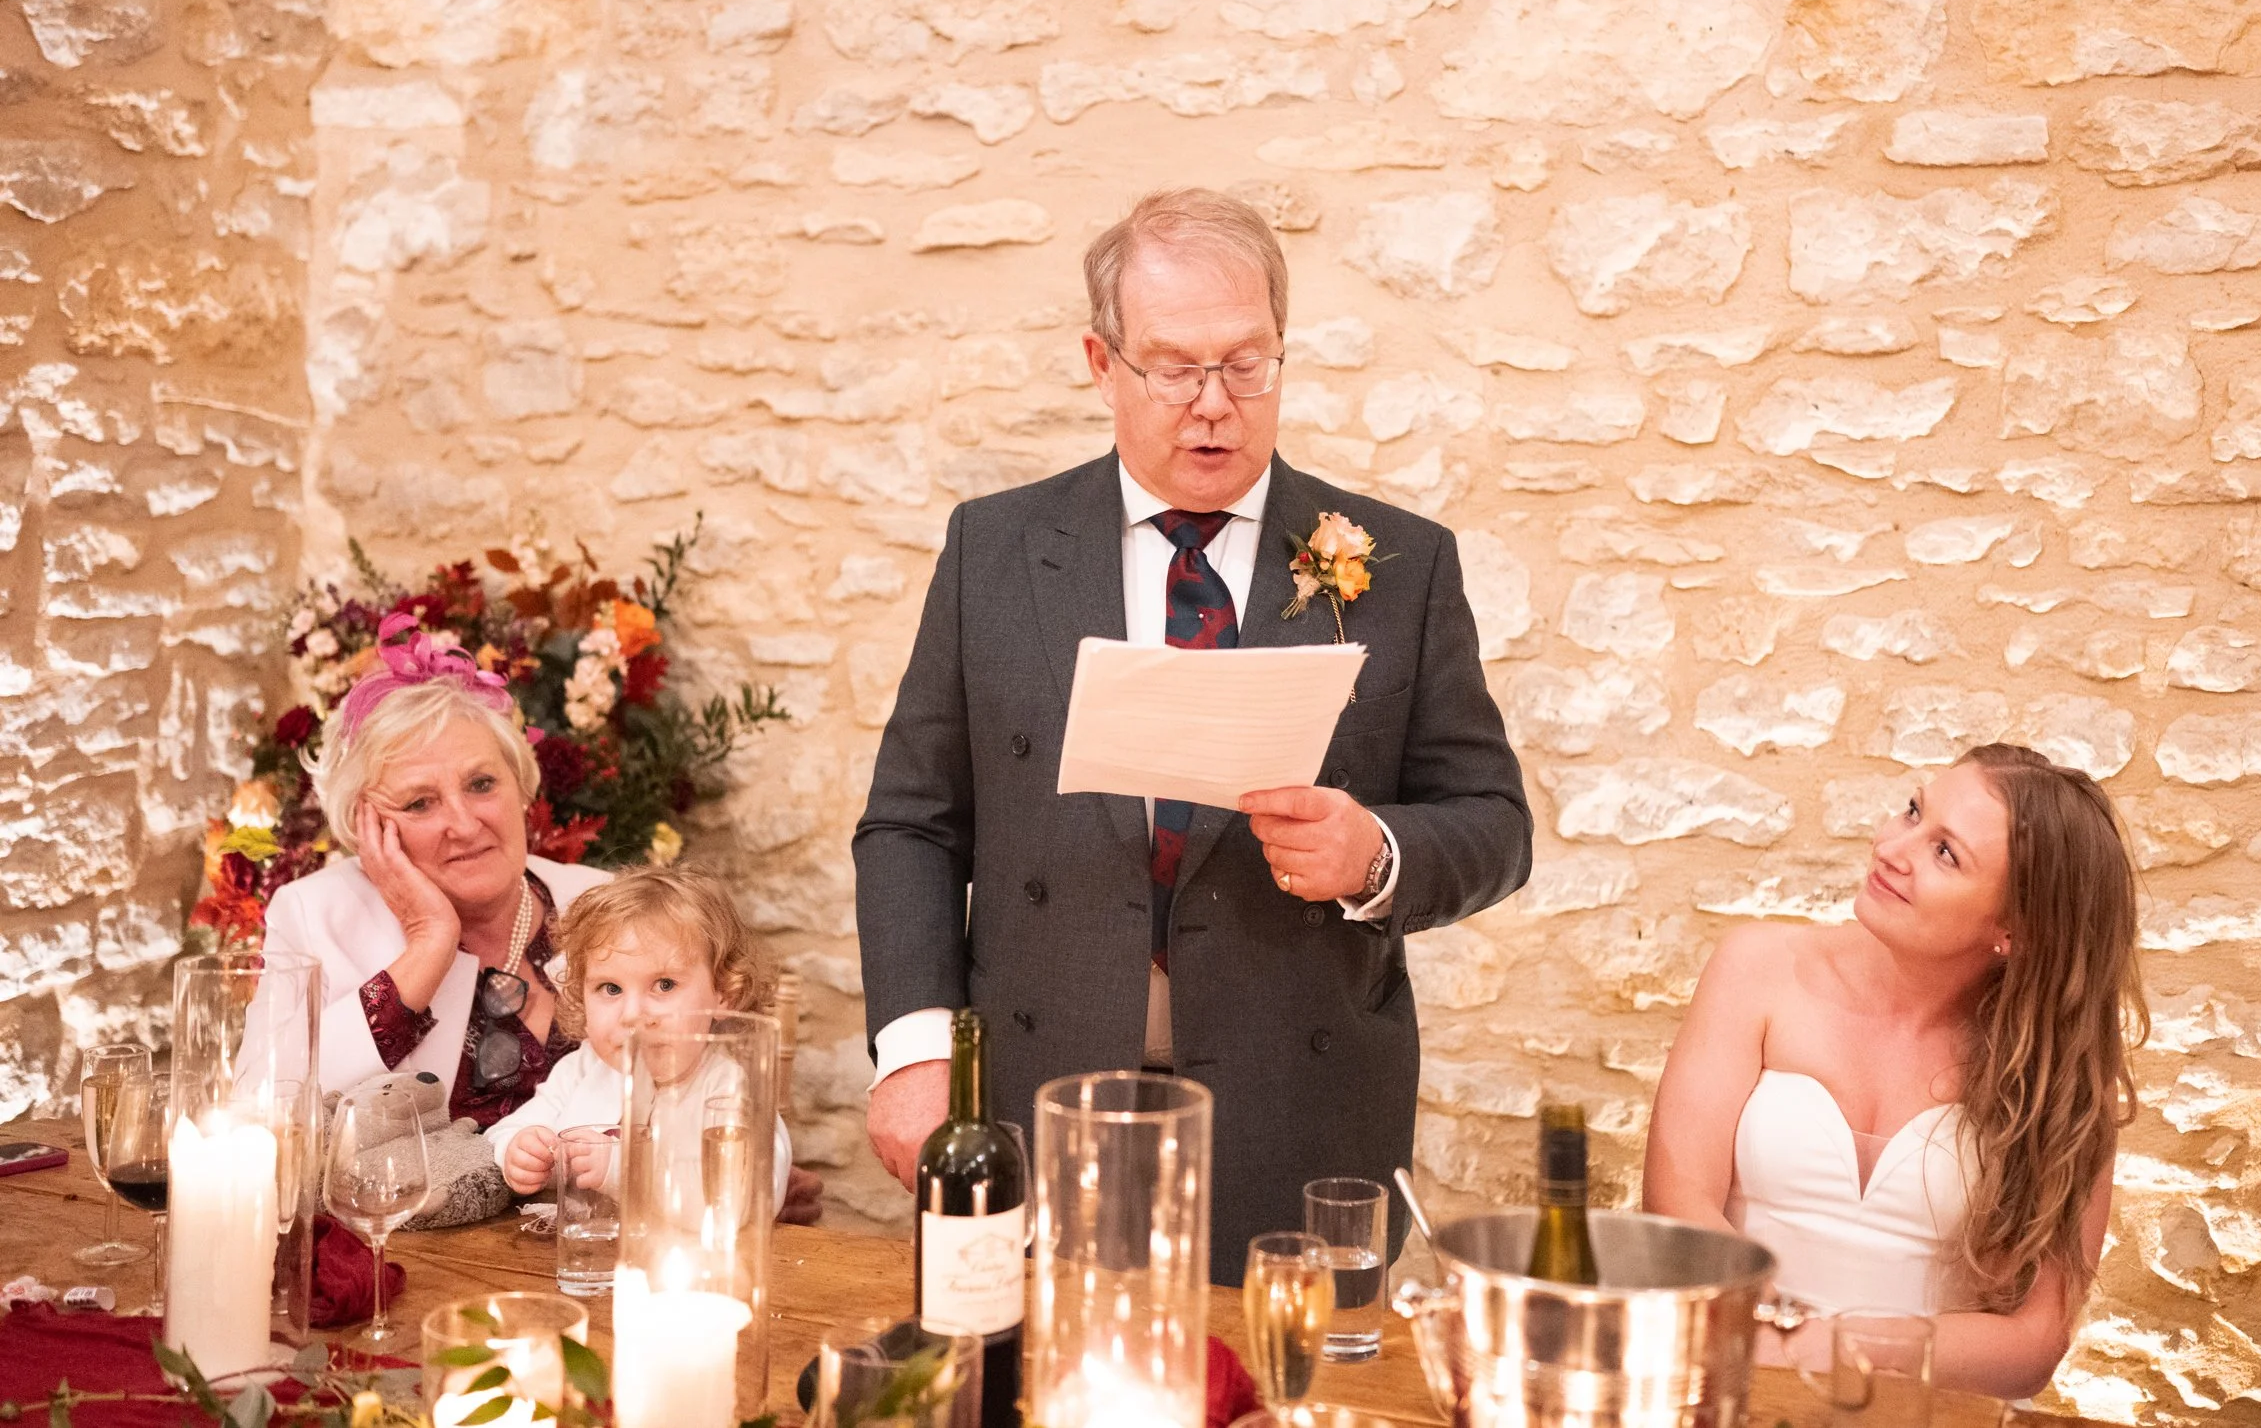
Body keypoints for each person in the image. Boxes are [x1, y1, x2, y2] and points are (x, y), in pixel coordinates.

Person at [855, 188, 1533, 1280]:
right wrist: (917, 1050)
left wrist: (1374, 854)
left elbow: (1495, 824)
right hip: (1041, 1091)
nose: (1213, 404)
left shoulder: (1401, 564)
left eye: (1246, 363)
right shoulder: (993, 550)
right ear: (1101, 360)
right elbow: (911, 825)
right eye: (1174, 368)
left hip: (1297, 1113)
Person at [259, 614, 824, 1222]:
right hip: (415, 1258)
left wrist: (707, 1178)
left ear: (521, 786)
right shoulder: (315, 916)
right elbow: (261, 1117)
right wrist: (429, 943)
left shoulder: (607, 904)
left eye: (481, 784)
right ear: (366, 826)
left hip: (607, 1247)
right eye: (420, 802)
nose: (464, 822)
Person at [1640, 744, 2144, 1400]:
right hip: (1726, 1382)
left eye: (1945, 852)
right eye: (1912, 811)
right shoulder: (1755, 966)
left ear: (2013, 928)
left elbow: (2037, 1339)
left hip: (1926, 1409)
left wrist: (1837, 1347)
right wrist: (1769, 1359)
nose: (1892, 847)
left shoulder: (2062, 1071)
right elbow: (1674, 1209)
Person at [487, 865, 794, 1210]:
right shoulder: (582, 1070)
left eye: (664, 985)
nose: (633, 1014)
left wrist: (620, 1170)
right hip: (574, 1259)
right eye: (611, 988)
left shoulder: (728, 1089)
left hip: (684, 1261)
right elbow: (501, 1134)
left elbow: (748, 1195)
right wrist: (518, 1150)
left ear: (723, 993)